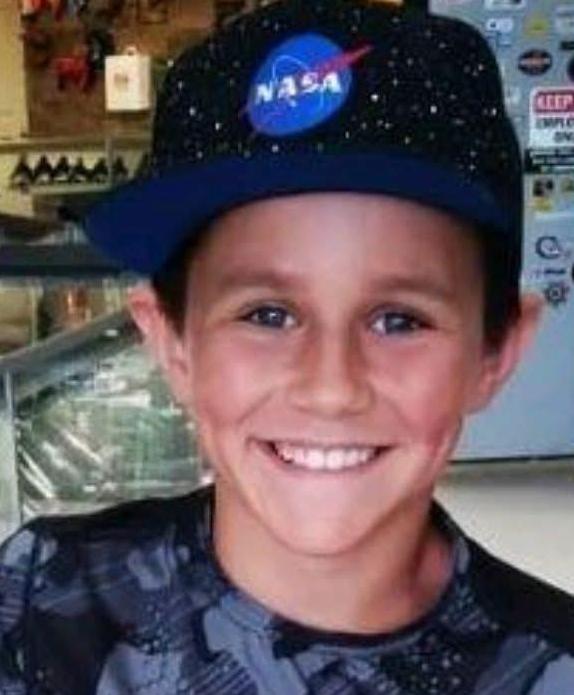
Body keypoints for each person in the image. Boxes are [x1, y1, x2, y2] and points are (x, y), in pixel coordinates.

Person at [1, 1, 574, 693]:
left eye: (398, 321)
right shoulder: (38, 604)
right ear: (171, 340)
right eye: (268, 314)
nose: (330, 387)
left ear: (498, 351)